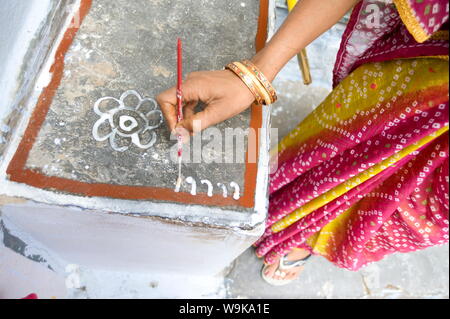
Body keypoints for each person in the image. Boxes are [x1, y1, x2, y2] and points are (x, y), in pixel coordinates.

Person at [157, 0, 449, 286]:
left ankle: (307, 240)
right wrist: (255, 75)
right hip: (426, 81)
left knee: (398, 222)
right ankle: (282, 212)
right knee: (328, 153)